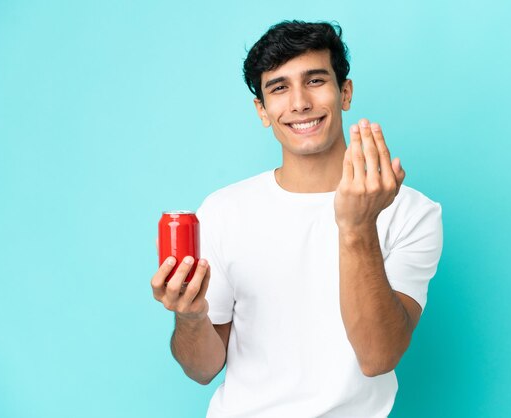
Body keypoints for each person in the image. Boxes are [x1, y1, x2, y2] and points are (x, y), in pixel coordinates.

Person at [151, 20, 443, 418]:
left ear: (345, 92)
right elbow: (202, 369)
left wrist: (358, 226)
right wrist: (190, 315)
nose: (300, 103)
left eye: (315, 80)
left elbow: (378, 356)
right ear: (262, 111)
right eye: (279, 88)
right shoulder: (223, 211)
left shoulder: (411, 212)